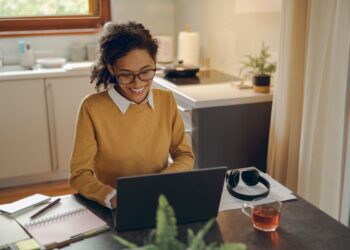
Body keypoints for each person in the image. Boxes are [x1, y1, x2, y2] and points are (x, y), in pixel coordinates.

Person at [69, 21, 195, 209]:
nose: (137, 83)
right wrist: (111, 197)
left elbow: (184, 155)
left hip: (161, 202)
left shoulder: (166, 100)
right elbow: (79, 175)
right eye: (126, 74)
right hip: (117, 207)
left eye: (145, 72)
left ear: (154, 63)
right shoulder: (92, 108)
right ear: (112, 68)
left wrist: (164, 181)